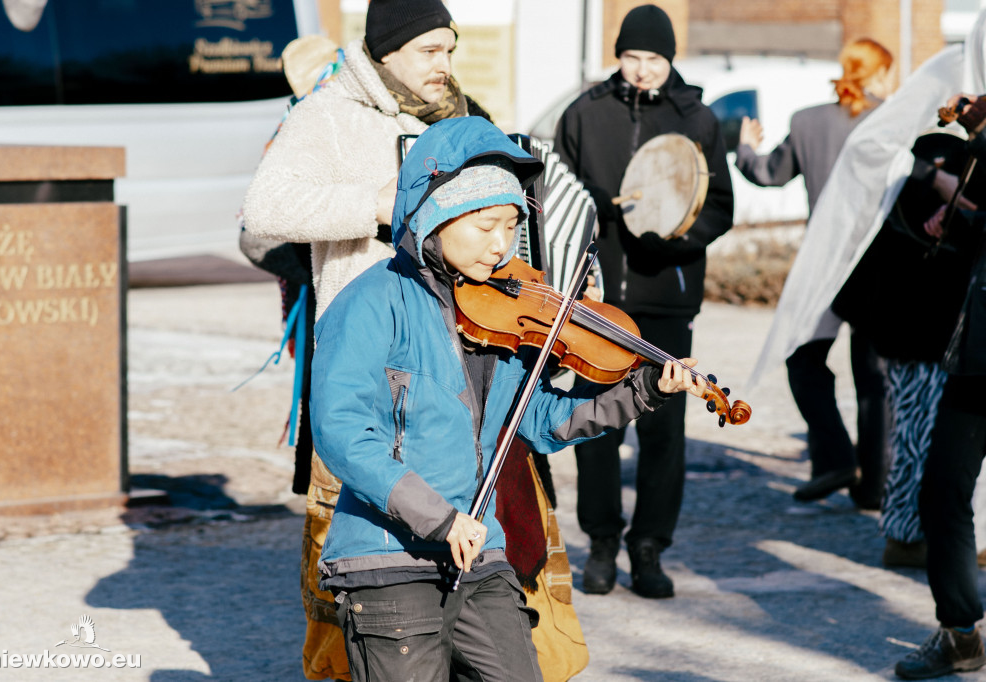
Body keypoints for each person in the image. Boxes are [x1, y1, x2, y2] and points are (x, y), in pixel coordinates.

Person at [242, 2, 589, 679]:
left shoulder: (464, 115)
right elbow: (262, 211)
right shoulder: (329, 114)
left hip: (473, 364)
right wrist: (376, 203)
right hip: (378, 366)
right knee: (373, 545)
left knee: (500, 542)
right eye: (430, 50)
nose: (444, 65)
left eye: (449, 49)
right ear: (386, 50)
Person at [310, 115, 707, 682]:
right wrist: (439, 519)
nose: (501, 246)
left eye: (512, 225)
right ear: (433, 215)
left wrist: (641, 391)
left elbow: (542, 420)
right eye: (485, 226)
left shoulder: (500, 313)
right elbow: (342, 430)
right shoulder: (371, 301)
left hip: (480, 548)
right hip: (387, 555)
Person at [553, 4, 734, 599]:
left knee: (662, 430)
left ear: (670, 59)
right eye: (632, 56)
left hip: (666, 295)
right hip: (596, 298)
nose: (641, 69)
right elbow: (552, 194)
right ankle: (602, 541)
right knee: (597, 423)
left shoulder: (697, 118)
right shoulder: (585, 112)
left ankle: (649, 545)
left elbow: (720, 205)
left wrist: (677, 238)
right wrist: (587, 206)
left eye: (653, 58)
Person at [733, 39, 894, 508]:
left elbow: (769, 173)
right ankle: (874, 486)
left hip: (823, 265)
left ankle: (835, 457)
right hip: (879, 266)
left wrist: (745, 149)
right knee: (875, 378)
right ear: (878, 73)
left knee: (803, 360)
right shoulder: (892, 120)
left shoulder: (807, 121)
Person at [893, 92, 986, 680]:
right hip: (976, 358)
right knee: (942, 493)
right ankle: (960, 634)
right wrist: (963, 221)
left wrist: (979, 133)